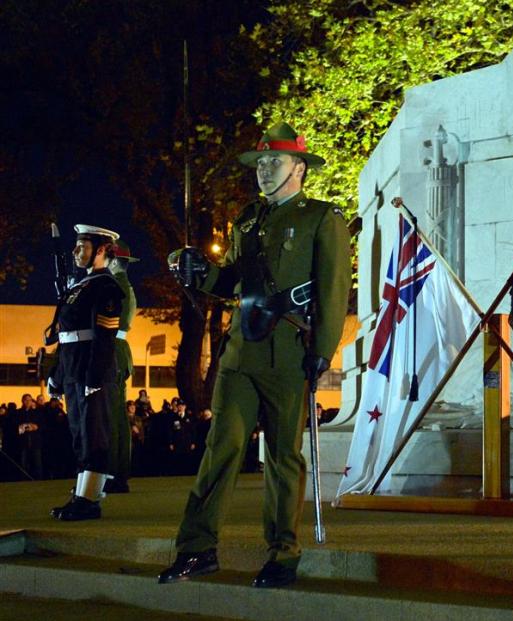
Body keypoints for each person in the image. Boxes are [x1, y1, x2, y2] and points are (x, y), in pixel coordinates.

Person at [158, 122, 351, 588]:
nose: (263, 171)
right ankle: (196, 549)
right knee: (219, 449)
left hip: (288, 352)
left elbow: (333, 290)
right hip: (240, 353)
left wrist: (323, 351)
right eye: (260, 163)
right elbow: (232, 284)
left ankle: (282, 553)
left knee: (283, 458)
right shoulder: (248, 220)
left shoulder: (321, 218)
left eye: (273, 162)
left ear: (299, 169)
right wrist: (196, 272)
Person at [46, 224, 124, 521]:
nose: (75, 251)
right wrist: (57, 374)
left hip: (93, 370)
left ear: (101, 250)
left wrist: (94, 377)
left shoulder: (106, 287)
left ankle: (90, 500)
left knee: (94, 434)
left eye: (82, 247)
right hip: (73, 367)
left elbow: (104, 337)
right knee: (80, 434)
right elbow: (66, 336)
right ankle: (80, 495)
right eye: (76, 246)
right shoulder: (80, 287)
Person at [105, 238, 138, 493]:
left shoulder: (117, 286)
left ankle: (115, 474)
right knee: (115, 418)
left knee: (114, 418)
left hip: (112, 351)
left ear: (114, 261)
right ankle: (116, 472)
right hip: (117, 351)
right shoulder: (122, 285)